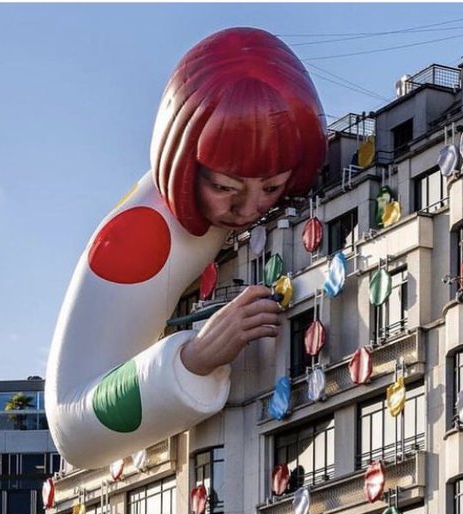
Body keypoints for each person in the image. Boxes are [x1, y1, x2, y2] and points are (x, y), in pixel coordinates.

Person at [45, 28, 328, 471]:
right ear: (184, 166)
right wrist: (193, 359)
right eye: (226, 188)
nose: (250, 207)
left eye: (271, 187)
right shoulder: (137, 236)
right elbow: (70, 427)